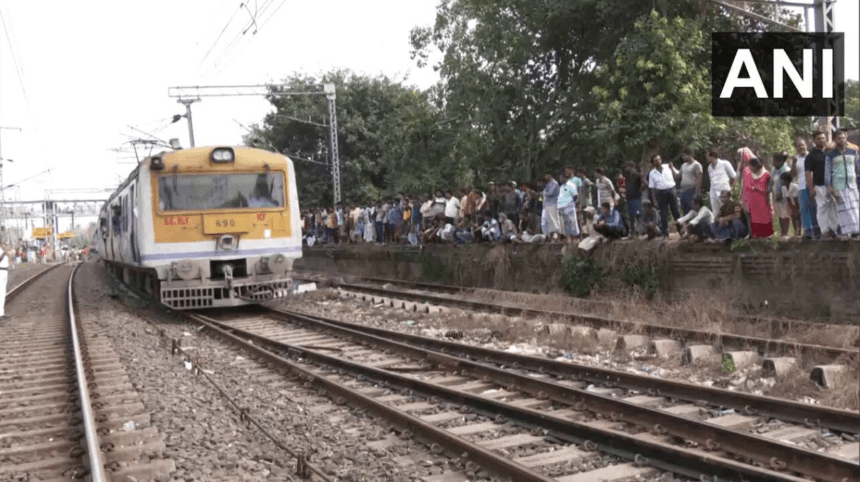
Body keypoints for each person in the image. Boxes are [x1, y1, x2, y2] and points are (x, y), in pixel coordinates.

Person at [825, 128, 860, 237]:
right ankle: (845, 232)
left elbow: (858, 168)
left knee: (854, 206)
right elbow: (827, 172)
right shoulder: (830, 155)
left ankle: (856, 231)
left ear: (846, 139)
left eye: (843, 137)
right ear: (835, 139)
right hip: (838, 184)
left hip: (852, 183)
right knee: (842, 209)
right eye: (839, 138)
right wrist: (830, 188)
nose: (842, 140)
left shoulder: (853, 152)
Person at [806, 131, 840, 238]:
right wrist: (811, 188)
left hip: (833, 184)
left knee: (834, 207)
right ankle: (825, 230)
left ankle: (833, 230)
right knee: (822, 208)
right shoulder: (811, 155)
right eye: (819, 138)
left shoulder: (830, 152)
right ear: (814, 140)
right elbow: (808, 173)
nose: (822, 140)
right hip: (819, 185)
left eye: (823, 138)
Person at [793, 138, 820, 239]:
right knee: (804, 209)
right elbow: (792, 175)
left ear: (806, 145)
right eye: (798, 146)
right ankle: (808, 232)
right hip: (801, 187)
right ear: (796, 148)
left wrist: (814, 187)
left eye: (802, 145)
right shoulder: (796, 159)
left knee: (815, 208)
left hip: (812, 185)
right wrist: (793, 163)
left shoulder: (812, 156)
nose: (801, 147)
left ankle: (817, 231)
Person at [648, 154, 681, 237]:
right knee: (663, 213)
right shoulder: (652, 173)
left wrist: (672, 167)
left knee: (676, 211)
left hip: (672, 190)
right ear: (653, 162)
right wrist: (654, 200)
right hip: (661, 192)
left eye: (659, 159)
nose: (658, 161)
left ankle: (681, 231)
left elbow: (677, 173)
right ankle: (665, 233)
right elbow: (652, 188)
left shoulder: (668, 167)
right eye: (656, 160)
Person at [741, 157, 774, 238]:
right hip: (750, 199)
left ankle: (766, 234)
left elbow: (769, 189)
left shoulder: (766, 174)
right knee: (753, 217)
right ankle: (753, 234)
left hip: (762, 199)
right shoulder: (747, 171)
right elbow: (744, 185)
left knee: (763, 217)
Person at [706, 149, 737, 215]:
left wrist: (732, 187)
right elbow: (711, 180)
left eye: (708, 156)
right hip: (713, 192)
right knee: (716, 213)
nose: (707, 158)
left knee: (727, 211)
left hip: (724, 190)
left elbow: (734, 176)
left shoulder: (724, 163)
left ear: (713, 156)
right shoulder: (709, 167)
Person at [770, 152, 791, 236]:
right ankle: (782, 232)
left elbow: (787, 184)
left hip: (785, 196)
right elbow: (771, 182)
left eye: (776, 161)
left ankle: (786, 232)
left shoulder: (786, 170)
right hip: (776, 196)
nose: (774, 163)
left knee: (785, 214)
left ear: (781, 161)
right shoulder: (773, 170)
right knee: (779, 214)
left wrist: (782, 194)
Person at [677, 151, 703, 215]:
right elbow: (678, 175)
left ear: (690, 155)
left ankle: (693, 224)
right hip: (683, 191)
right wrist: (671, 168)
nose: (683, 157)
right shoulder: (683, 165)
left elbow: (699, 179)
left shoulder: (696, 165)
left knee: (691, 211)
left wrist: (697, 191)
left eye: (684, 155)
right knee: (684, 210)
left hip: (691, 191)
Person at [557, 173, 580, 242]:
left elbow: (575, 196)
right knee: (566, 225)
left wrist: (574, 204)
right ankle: (568, 241)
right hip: (562, 208)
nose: (560, 179)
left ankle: (575, 240)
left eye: (561, 178)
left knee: (573, 224)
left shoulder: (571, 184)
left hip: (569, 208)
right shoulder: (562, 186)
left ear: (565, 177)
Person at [780, 171, 801, 238]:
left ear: (787, 180)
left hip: (798, 202)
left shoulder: (794, 187)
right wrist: (791, 209)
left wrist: (796, 209)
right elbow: (787, 198)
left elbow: (796, 199)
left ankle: (800, 231)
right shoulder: (783, 188)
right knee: (793, 217)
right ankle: (795, 231)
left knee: (798, 216)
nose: (781, 182)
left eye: (782, 180)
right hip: (791, 203)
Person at [542, 170, 561, 240]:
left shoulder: (554, 183)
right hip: (547, 204)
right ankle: (550, 235)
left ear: (549, 175)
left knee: (554, 219)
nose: (545, 177)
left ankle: (556, 234)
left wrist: (544, 193)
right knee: (548, 220)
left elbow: (550, 193)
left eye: (546, 175)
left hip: (553, 203)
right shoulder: (548, 183)